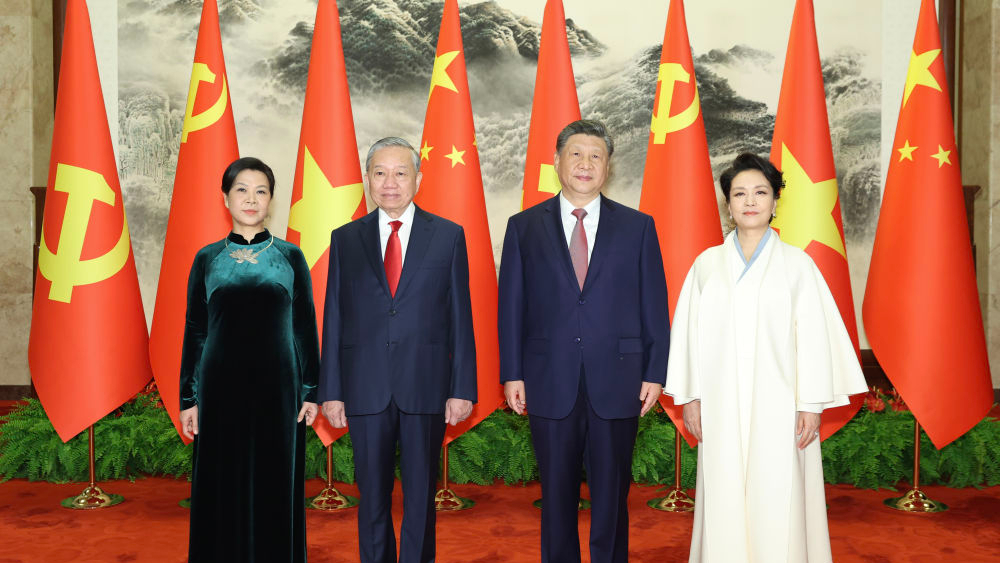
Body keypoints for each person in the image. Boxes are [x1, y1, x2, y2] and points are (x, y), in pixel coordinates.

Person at [664, 153, 868, 563]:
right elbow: (687, 337)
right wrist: (692, 397)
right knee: (722, 492)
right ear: (728, 204)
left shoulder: (798, 265)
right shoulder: (706, 266)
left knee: (780, 495)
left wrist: (810, 404)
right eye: (739, 194)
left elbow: (814, 338)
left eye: (760, 192)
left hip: (782, 407)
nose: (750, 201)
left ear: (775, 201)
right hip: (719, 405)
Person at [498, 119, 670, 563]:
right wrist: (512, 373)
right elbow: (511, 306)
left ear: (608, 167)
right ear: (557, 161)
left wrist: (655, 372)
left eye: (596, 155)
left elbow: (654, 304)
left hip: (619, 379)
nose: (585, 163)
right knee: (556, 497)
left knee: (612, 496)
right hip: (548, 379)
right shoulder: (523, 227)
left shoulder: (637, 227)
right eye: (576, 153)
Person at [318, 137, 477, 563]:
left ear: (418, 179)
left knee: (421, 498)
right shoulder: (346, 239)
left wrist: (462, 388)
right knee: (371, 497)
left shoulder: (447, 236)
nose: (390, 183)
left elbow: (461, 317)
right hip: (365, 387)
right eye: (380, 173)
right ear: (368, 179)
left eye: (401, 173)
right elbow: (334, 316)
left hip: (425, 385)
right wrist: (331, 391)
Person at [178, 157, 319, 563]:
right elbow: (195, 330)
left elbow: (305, 327)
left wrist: (311, 390)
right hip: (219, 390)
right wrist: (189, 399)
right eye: (241, 190)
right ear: (226, 198)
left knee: (276, 481)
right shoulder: (207, 258)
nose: (251, 199)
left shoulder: (291, 257)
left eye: (261, 191)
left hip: (279, 390)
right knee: (221, 480)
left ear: (271, 200)